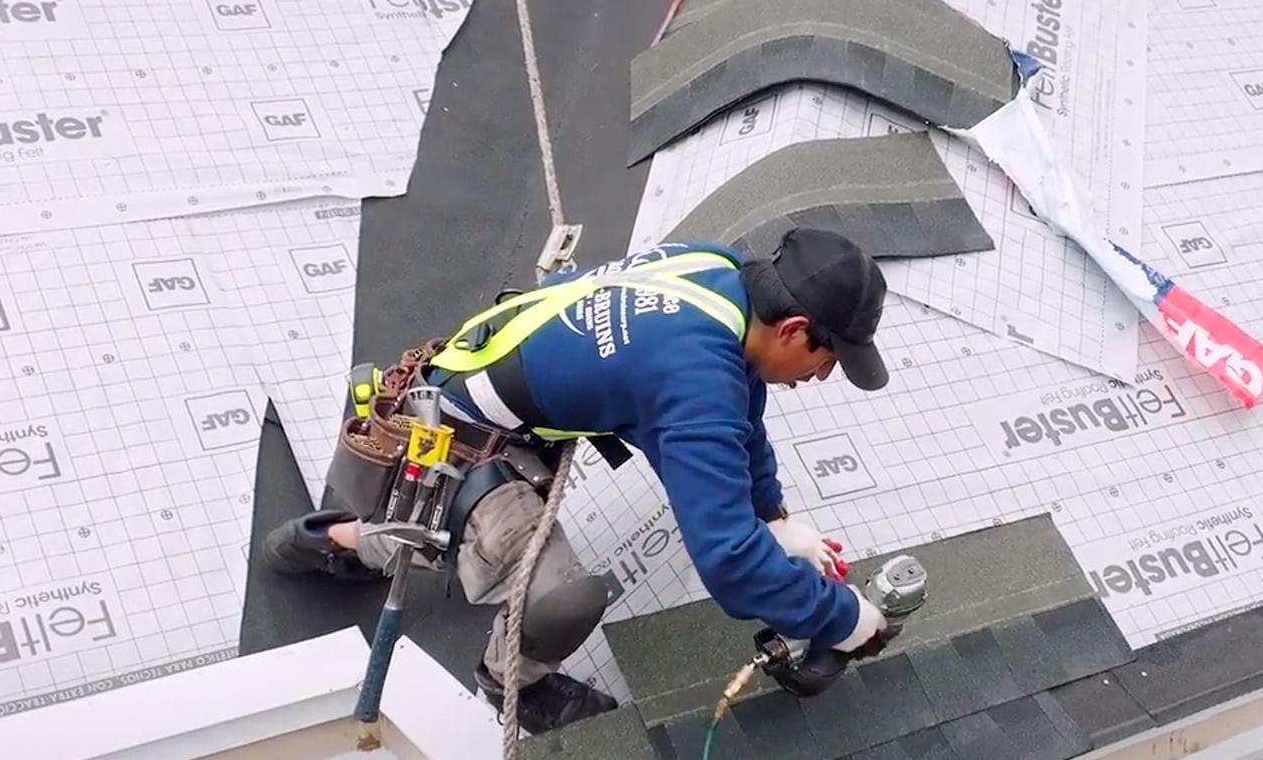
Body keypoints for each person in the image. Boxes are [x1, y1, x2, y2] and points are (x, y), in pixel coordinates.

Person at [260, 227, 894, 733]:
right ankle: (511, 680)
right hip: (456, 446)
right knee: (561, 599)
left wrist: (773, 518)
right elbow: (729, 561)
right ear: (792, 329)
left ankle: (360, 533)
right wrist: (841, 618)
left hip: (483, 391)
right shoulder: (694, 375)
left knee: (445, 532)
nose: (822, 376)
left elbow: (741, 415)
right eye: (828, 359)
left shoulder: (718, 272)